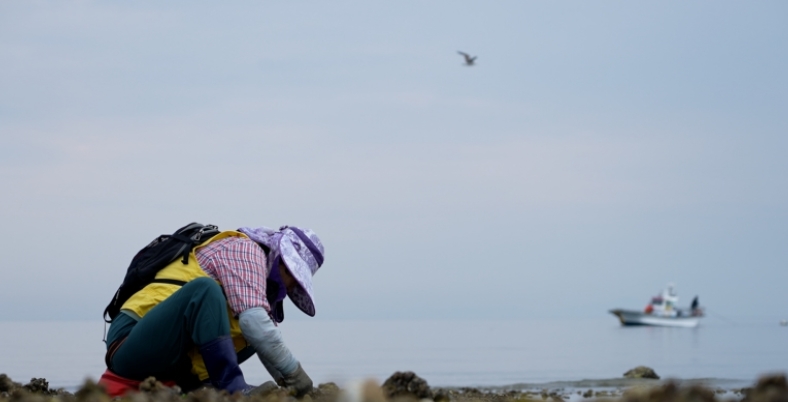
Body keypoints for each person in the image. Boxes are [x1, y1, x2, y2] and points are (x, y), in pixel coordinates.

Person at [99, 225, 325, 397]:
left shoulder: (259, 285)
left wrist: (288, 383)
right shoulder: (245, 250)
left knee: (261, 331)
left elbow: (264, 336)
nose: (292, 288)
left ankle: (207, 387)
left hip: (170, 362)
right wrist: (296, 373)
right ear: (282, 261)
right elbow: (254, 323)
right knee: (206, 292)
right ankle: (231, 387)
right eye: (295, 279)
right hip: (129, 339)